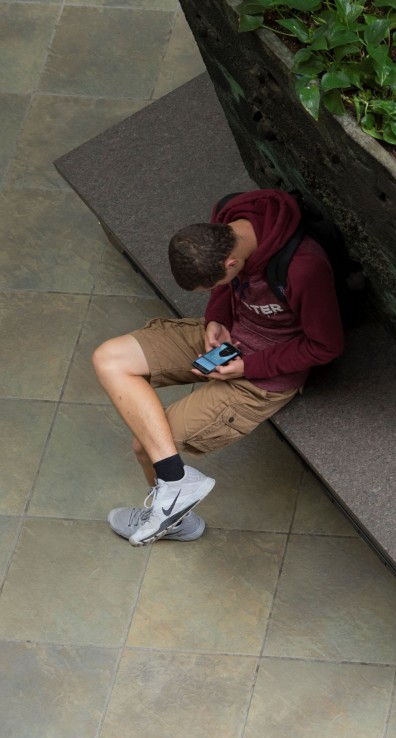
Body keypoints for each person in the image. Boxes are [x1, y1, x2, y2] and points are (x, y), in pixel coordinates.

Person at [92, 189, 344, 546]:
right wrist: (216, 318)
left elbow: (327, 345)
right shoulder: (229, 221)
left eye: (214, 284)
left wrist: (248, 367)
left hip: (264, 376)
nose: (217, 287)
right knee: (108, 358)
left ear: (230, 264)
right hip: (227, 339)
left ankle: (177, 517)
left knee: (146, 445)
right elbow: (228, 289)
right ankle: (176, 484)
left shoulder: (304, 269)